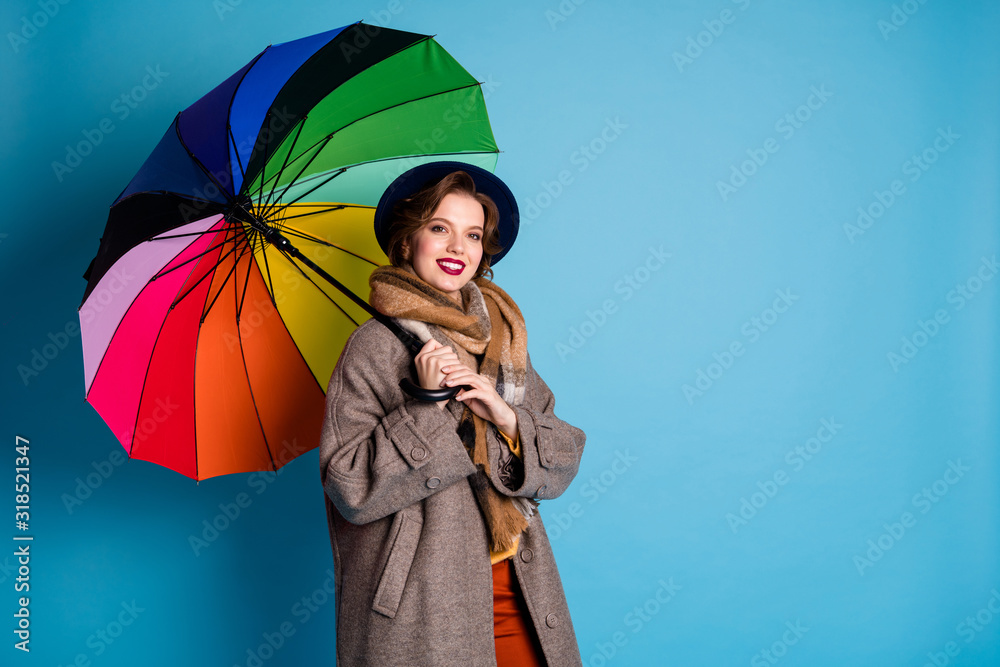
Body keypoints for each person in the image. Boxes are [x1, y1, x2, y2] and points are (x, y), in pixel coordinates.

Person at [319, 161, 587, 666]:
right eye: (439, 228)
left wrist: (505, 416)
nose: (457, 248)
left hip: (520, 588)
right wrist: (424, 404)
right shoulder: (374, 346)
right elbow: (348, 487)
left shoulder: (502, 338)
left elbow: (564, 453)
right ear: (407, 241)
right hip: (424, 602)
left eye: (473, 234)